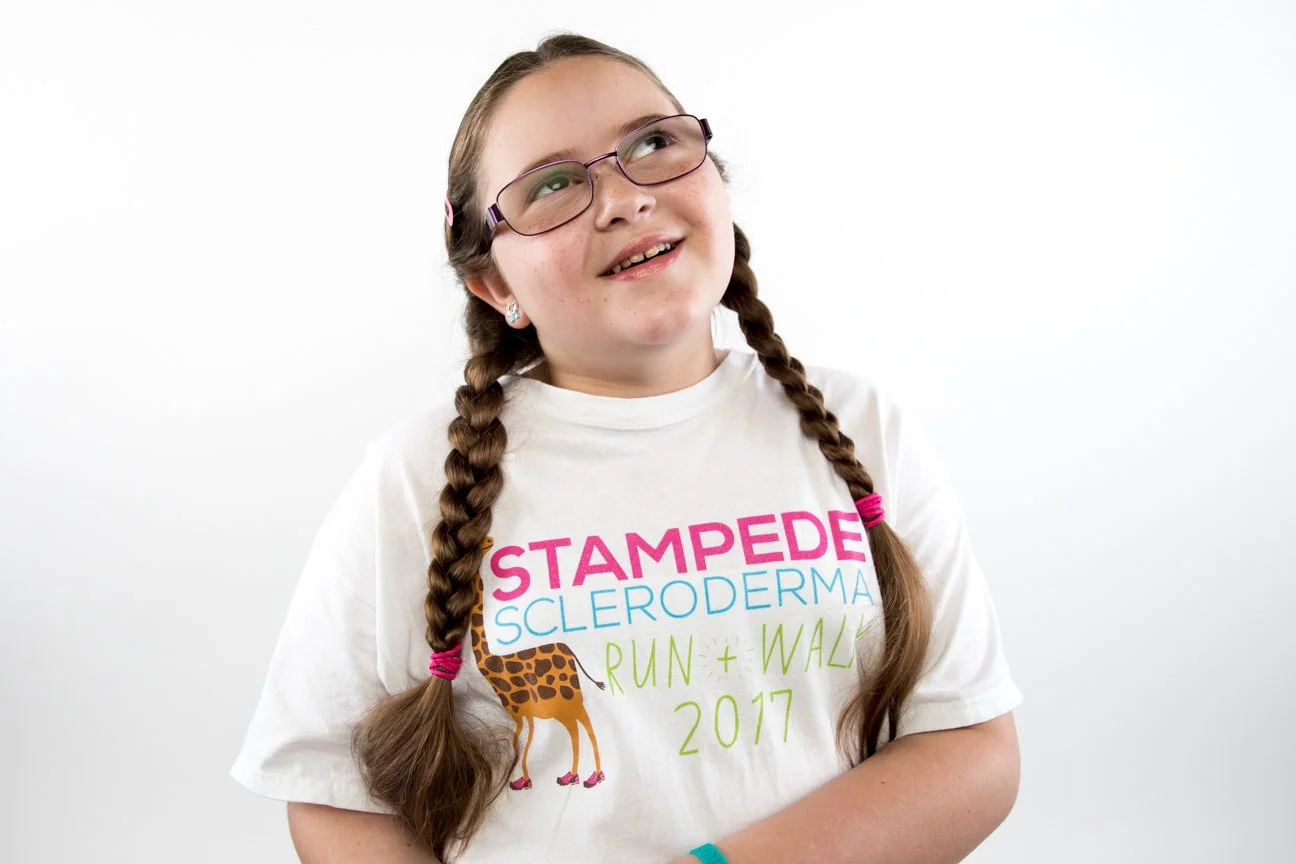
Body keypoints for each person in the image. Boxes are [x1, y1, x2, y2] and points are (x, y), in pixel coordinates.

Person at [230, 32, 1023, 864]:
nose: (622, 199)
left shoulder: (864, 427)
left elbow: (970, 746)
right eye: (552, 185)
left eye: (652, 144)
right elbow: (334, 796)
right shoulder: (411, 478)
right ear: (494, 284)